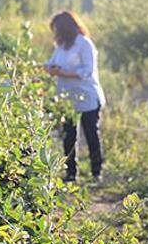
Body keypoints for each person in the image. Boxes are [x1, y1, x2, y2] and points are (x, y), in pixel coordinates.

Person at [42, 11, 106, 183]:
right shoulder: (62, 45)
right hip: (67, 99)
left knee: (91, 135)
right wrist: (47, 69)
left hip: (87, 98)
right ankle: (71, 173)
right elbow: (50, 63)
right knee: (69, 137)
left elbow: (87, 71)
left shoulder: (84, 44)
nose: (56, 33)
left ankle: (96, 172)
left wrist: (62, 73)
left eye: (57, 29)